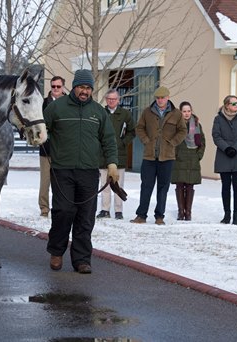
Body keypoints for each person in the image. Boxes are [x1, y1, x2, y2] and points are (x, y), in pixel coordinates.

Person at [43, 69, 118, 273]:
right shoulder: (56, 108)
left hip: (88, 171)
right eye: (81, 87)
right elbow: (42, 130)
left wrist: (112, 163)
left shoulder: (98, 112)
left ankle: (82, 259)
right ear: (74, 87)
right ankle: (57, 252)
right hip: (62, 170)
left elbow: (109, 139)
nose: (84, 91)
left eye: (88, 88)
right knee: (63, 212)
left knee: (86, 216)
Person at [130, 86, 187, 225]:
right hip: (149, 156)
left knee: (163, 188)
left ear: (168, 97)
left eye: (162, 98)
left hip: (167, 157)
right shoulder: (147, 112)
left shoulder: (177, 114)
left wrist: (173, 142)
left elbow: (183, 131)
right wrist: (145, 140)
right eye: (157, 98)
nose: (160, 100)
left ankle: (159, 216)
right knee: (146, 186)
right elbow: (139, 127)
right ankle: (141, 215)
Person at [96, 89, 136, 220]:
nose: (111, 101)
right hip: (103, 154)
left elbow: (132, 131)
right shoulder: (101, 113)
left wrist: (123, 142)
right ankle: (104, 209)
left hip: (120, 154)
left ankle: (119, 211)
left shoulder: (125, 114)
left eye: (114, 99)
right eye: (109, 99)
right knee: (104, 184)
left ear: (118, 100)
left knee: (118, 184)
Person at [211, 95, 237, 226]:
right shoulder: (218, 119)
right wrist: (226, 148)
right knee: (225, 186)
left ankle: (236, 215)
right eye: (234, 103)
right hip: (224, 155)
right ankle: (227, 214)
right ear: (227, 105)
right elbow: (216, 136)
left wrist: (235, 148)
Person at [170, 101, 206, 221]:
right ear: (180, 112)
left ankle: (188, 212)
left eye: (189, 111)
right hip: (179, 159)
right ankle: (181, 212)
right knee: (179, 185)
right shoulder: (175, 125)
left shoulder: (196, 124)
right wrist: (175, 155)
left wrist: (198, 155)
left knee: (190, 186)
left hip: (192, 158)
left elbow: (202, 142)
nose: (187, 113)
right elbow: (171, 141)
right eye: (184, 111)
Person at [39, 76, 66, 217]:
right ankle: (44, 209)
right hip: (46, 149)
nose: (55, 89)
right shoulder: (43, 104)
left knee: (62, 182)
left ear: (63, 87)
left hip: (64, 150)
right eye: (53, 86)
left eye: (58, 86)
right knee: (45, 181)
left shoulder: (69, 103)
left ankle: (60, 208)